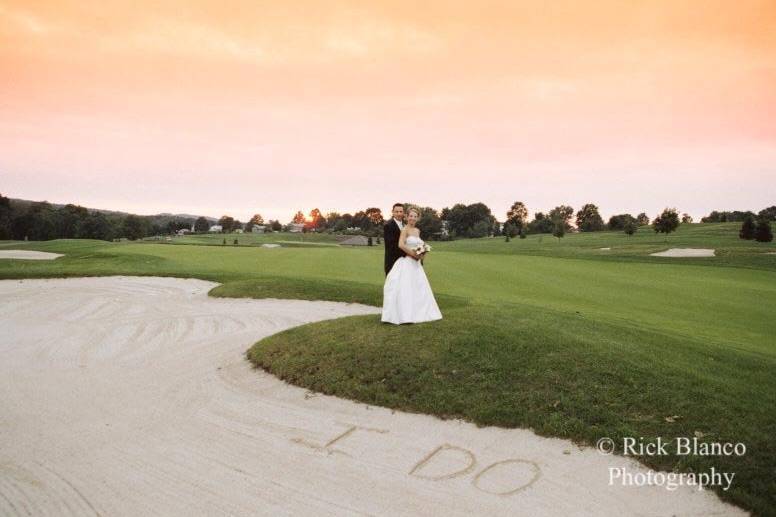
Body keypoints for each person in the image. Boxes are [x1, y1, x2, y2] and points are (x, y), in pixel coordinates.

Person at [381, 207, 443, 324]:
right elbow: (401, 245)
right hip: (407, 262)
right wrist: (413, 255)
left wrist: (423, 252)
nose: (412, 218)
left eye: (415, 216)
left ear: (417, 218)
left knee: (418, 288)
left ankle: (418, 313)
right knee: (406, 289)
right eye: (410, 216)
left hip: (417, 265)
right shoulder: (405, 230)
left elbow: (421, 245)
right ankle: (405, 315)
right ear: (407, 217)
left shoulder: (417, 231)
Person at [383, 203, 406, 275]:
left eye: (401, 211)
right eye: (396, 211)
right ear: (392, 212)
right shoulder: (388, 225)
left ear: (403, 212)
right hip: (392, 263)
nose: (399, 214)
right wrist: (409, 254)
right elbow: (391, 246)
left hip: (404, 263)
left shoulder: (405, 225)